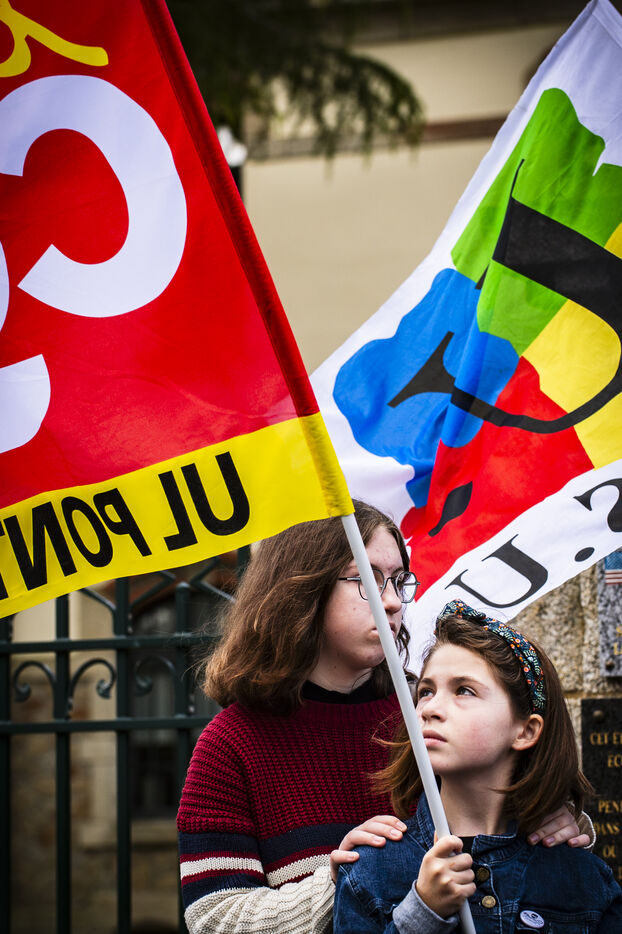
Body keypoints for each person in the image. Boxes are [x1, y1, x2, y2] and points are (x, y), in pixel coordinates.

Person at [177, 504, 591, 934]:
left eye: (397, 580)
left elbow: (504, 826)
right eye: (366, 579)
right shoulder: (229, 744)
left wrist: (556, 823)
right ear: (301, 589)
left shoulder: (425, 713)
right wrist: (341, 882)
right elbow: (212, 918)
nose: (391, 602)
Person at [334, 600, 622, 933]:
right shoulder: (371, 871)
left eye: (464, 690)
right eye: (426, 691)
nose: (430, 708)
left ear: (526, 731)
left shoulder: (584, 881)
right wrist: (422, 914)